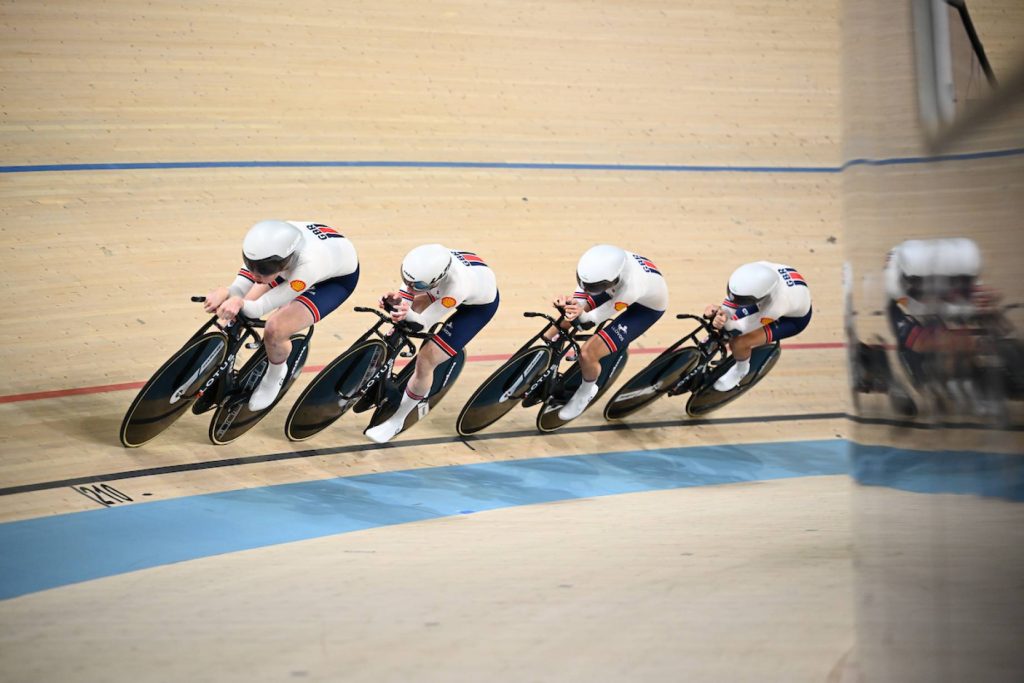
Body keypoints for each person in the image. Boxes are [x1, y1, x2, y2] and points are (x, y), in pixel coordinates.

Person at [203, 220, 359, 411]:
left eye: (264, 270)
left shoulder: (308, 265)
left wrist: (237, 300)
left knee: (275, 329)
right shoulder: (263, 249)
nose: (256, 274)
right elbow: (243, 285)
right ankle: (222, 363)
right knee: (233, 313)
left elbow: (259, 307)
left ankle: (275, 375)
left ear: (283, 263)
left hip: (333, 281)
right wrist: (226, 291)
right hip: (297, 262)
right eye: (250, 264)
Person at [365, 244, 499, 443]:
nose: (409, 286)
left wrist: (406, 312)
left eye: (416, 285)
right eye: (406, 279)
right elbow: (409, 293)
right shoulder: (424, 266)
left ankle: (397, 421)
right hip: (440, 288)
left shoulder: (457, 287)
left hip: (477, 308)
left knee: (427, 359)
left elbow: (424, 323)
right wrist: (397, 301)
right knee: (403, 317)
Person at [554, 244, 669, 420]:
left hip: (645, 309)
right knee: (565, 319)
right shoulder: (599, 266)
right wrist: (572, 304)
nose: (585, 288)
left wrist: (580, 313)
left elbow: (590, 321)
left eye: (591, 286)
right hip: (612, 287)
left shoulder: (631, 288)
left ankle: (586, 392)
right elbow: (583, 291)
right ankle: (544, 355)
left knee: (588, 353)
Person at [704, 261, 812, 391]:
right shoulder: (756, 269)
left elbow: (738, 329)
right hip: (773, 298)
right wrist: (721, 312)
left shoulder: (776, 307)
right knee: (725, 325)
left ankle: (741, 370)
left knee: (739, 342)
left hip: (791, 320)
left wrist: (721, 319)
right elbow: (733, 299)